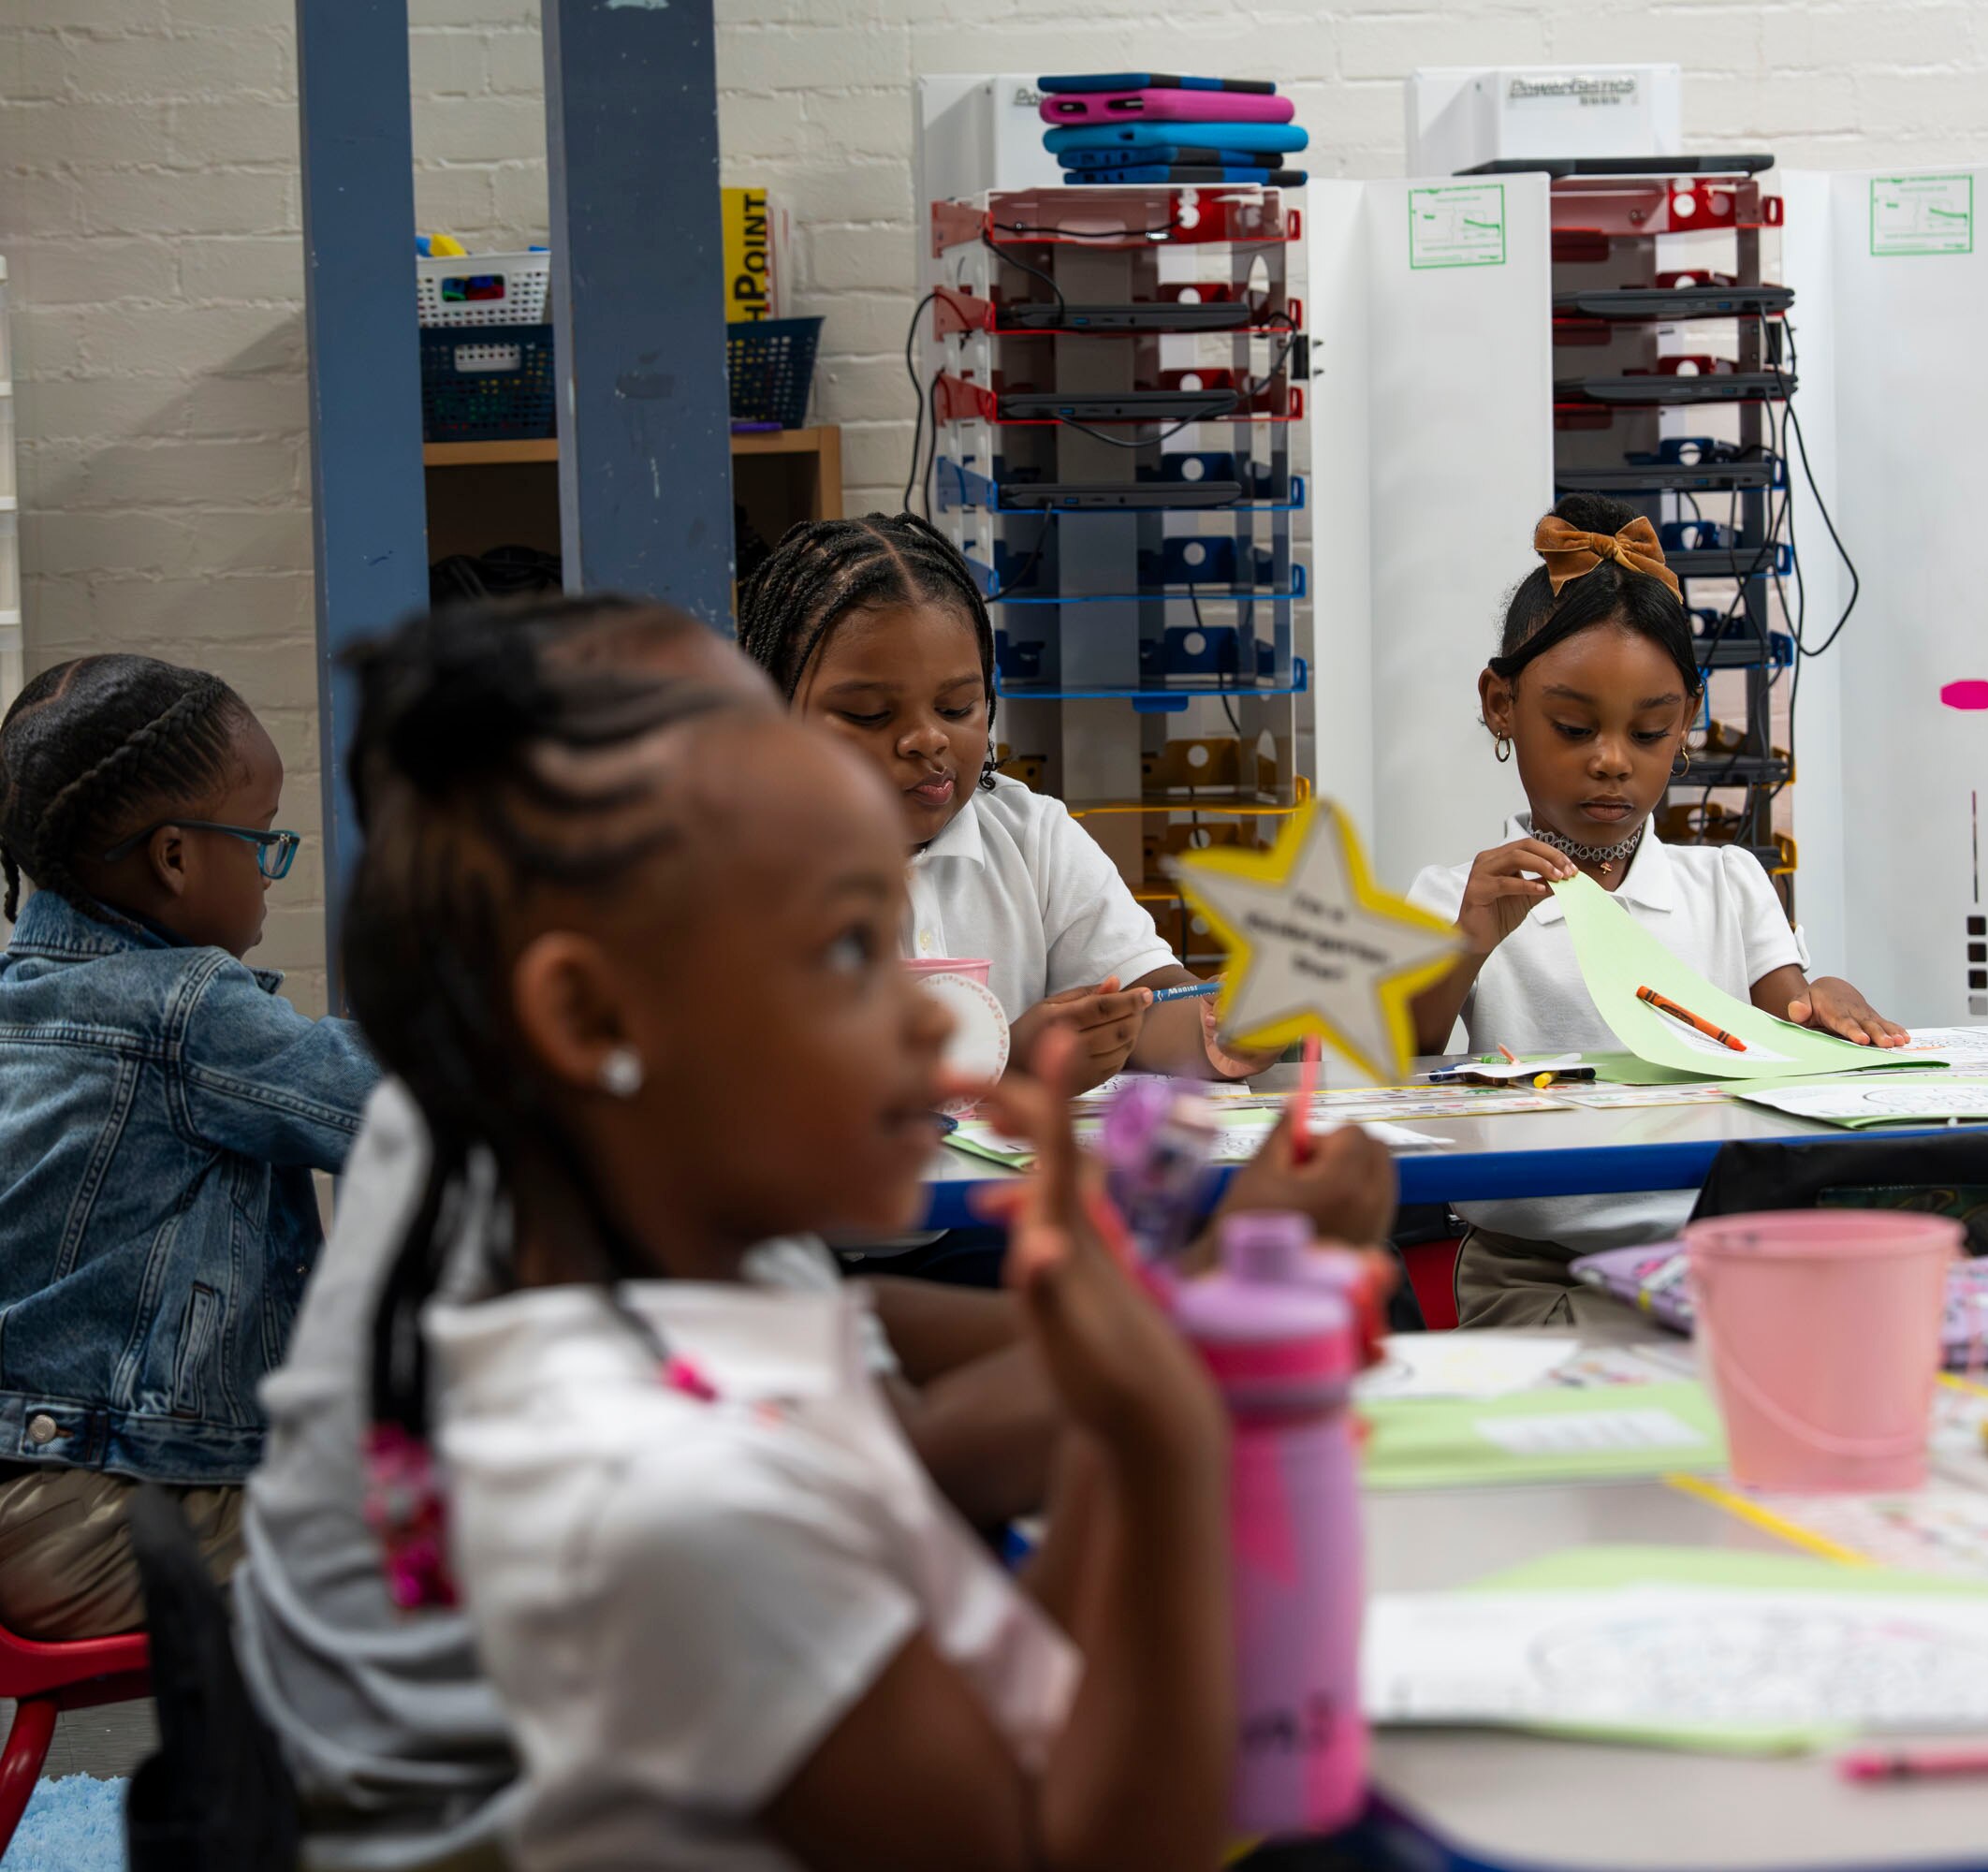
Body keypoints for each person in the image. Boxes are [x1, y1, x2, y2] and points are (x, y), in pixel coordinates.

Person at [333, 594, 1233, 1871]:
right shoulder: (678, 1508)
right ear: (592, 1020)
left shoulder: (674, 1323)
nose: (935, 1021)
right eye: (850, 954)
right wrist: (1164, 1447)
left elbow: (1022, 1710)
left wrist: (1112, 1395)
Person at [1405, 496, 1904, 1327]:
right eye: (1572, 727)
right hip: (1541, 1272)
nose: (1610, 762)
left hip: (1723, 1257)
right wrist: (1468, 942)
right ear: (1501, 705)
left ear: (1689, 722)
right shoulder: (1458, 897)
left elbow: (1789, 1031)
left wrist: (1829, 1009)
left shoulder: (1731, 883)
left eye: (1649, 732)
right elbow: (1403, 1061)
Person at [0, 654, 375, 1639]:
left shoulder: (18, 1000)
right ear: (173, 856)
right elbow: (402, 1107)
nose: (268, 869)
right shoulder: (186, 1008)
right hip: (103, 1513)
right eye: (263, 842)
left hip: (25, 1497)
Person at [738, 512, 1267, 1095]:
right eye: (870, 715)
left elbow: (1146, 999)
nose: (929, 739)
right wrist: (1007, 1060)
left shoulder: (1032, 837)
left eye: (958, 707)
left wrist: (1222, 1028)